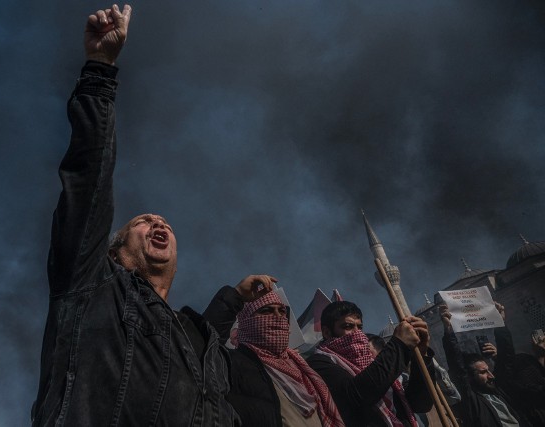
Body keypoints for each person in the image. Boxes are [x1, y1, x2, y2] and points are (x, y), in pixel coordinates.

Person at [31, 5, 239, 426]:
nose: (159, 224)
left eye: (165, 223)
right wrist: (100, 68)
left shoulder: (199, 339)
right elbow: (88, 183)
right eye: (143, 221)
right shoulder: (93, 287)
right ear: (112, 249)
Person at [204, 275, 345, 427]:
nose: (278, 316)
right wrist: (236, 295)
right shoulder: (233, 364)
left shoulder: (302, 369)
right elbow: (204, 345)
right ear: (246, 322)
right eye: (267, 311)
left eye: (282, 311)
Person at [307, 301, 435, 427]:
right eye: (348, 326)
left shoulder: (371, 362)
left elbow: (421, 404)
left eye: (360, 327)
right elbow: (358, 395)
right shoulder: (319, 363)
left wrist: (421, 357)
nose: (357, 333)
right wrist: (399, 344)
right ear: (327, 332)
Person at [440, 302, 526, 427]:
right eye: (483, 372)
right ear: (469, 377)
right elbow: (457, 368)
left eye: (488, 370)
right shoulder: (472, 401)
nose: (491, 376)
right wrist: (448, 330)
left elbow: (507, 359)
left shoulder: (499, 391)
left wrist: (500, 323)